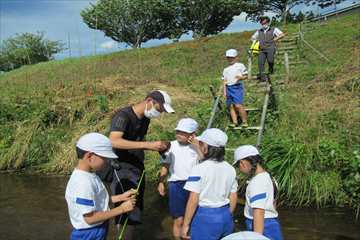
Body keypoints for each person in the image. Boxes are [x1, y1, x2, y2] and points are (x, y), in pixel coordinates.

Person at [98, 90, 175, 240]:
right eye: (159, 109)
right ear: (149, 101)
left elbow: (137, 142)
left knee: (136, 207)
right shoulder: (123, 116)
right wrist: (148, 144)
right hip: (120, 168)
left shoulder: (145, 118)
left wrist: (157, 147)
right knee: (126, 211)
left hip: (136, 166)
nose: (159, 113)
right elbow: (113, 141)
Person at [65, 132, 137, 240]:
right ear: (90, 156)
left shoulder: (90, 175)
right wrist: (122, 209)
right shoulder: (82, 183)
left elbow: (98, 201)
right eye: (104, 158)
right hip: (87, 234)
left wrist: (121, 197)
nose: (107, 162)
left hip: (97, 229)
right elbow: (90, 218)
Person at [181, 128, 238, 240]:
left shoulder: (199, 169)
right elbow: (233, 195)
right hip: (226, 215)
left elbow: (193, 199)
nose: (199, 145)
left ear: (205, 148)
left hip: (206, 218)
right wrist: (228, 214)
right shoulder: (230, 168)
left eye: (201, 143)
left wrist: (185, 225)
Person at [157, 118, 200, 240]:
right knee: (178, 219)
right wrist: (161, 182)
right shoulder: (171, 146)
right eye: (178, 131)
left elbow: (205, 163)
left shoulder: (198, 145)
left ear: (192, 134)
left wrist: (197, 147)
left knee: (194, 216)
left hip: (195, 185)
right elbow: (165, 165)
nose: (179, 135)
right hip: (176, 185)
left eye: (183, 132)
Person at [233, 145, 283, 240]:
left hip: (262, 227)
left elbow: (259, 212)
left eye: (237, 166)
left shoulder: (257, 183)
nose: (239, 169)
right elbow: (274, 203)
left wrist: (256, 237)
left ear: (243, 163)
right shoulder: (270, 177)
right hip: (273, 224)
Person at [251, 16, 285, 81]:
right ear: (261, 24)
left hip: (271, 48)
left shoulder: (274, 29)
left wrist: (276, 38)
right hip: (261, 49)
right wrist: (255, 41)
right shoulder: (259, 31)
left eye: (265, 23)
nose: (264, 24)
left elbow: (282, 34)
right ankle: (262, 77)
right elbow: (252, 38)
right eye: (262, 23)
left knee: (270, 61)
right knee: (260, 63)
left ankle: (271, 68)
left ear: (268, 23)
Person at [222, 49, 248, 128]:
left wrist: (241, 77)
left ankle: (244, 121)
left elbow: (246, 76)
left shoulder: (240, 65)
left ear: (236, 58)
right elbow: (224, 81)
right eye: (228, 57)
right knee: (231, 106)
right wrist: (224, 92)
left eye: (232, 57)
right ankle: (235, 122)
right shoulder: (225, 69)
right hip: (228, 88)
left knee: (238, 105)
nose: (230, 59)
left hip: (237, 87)